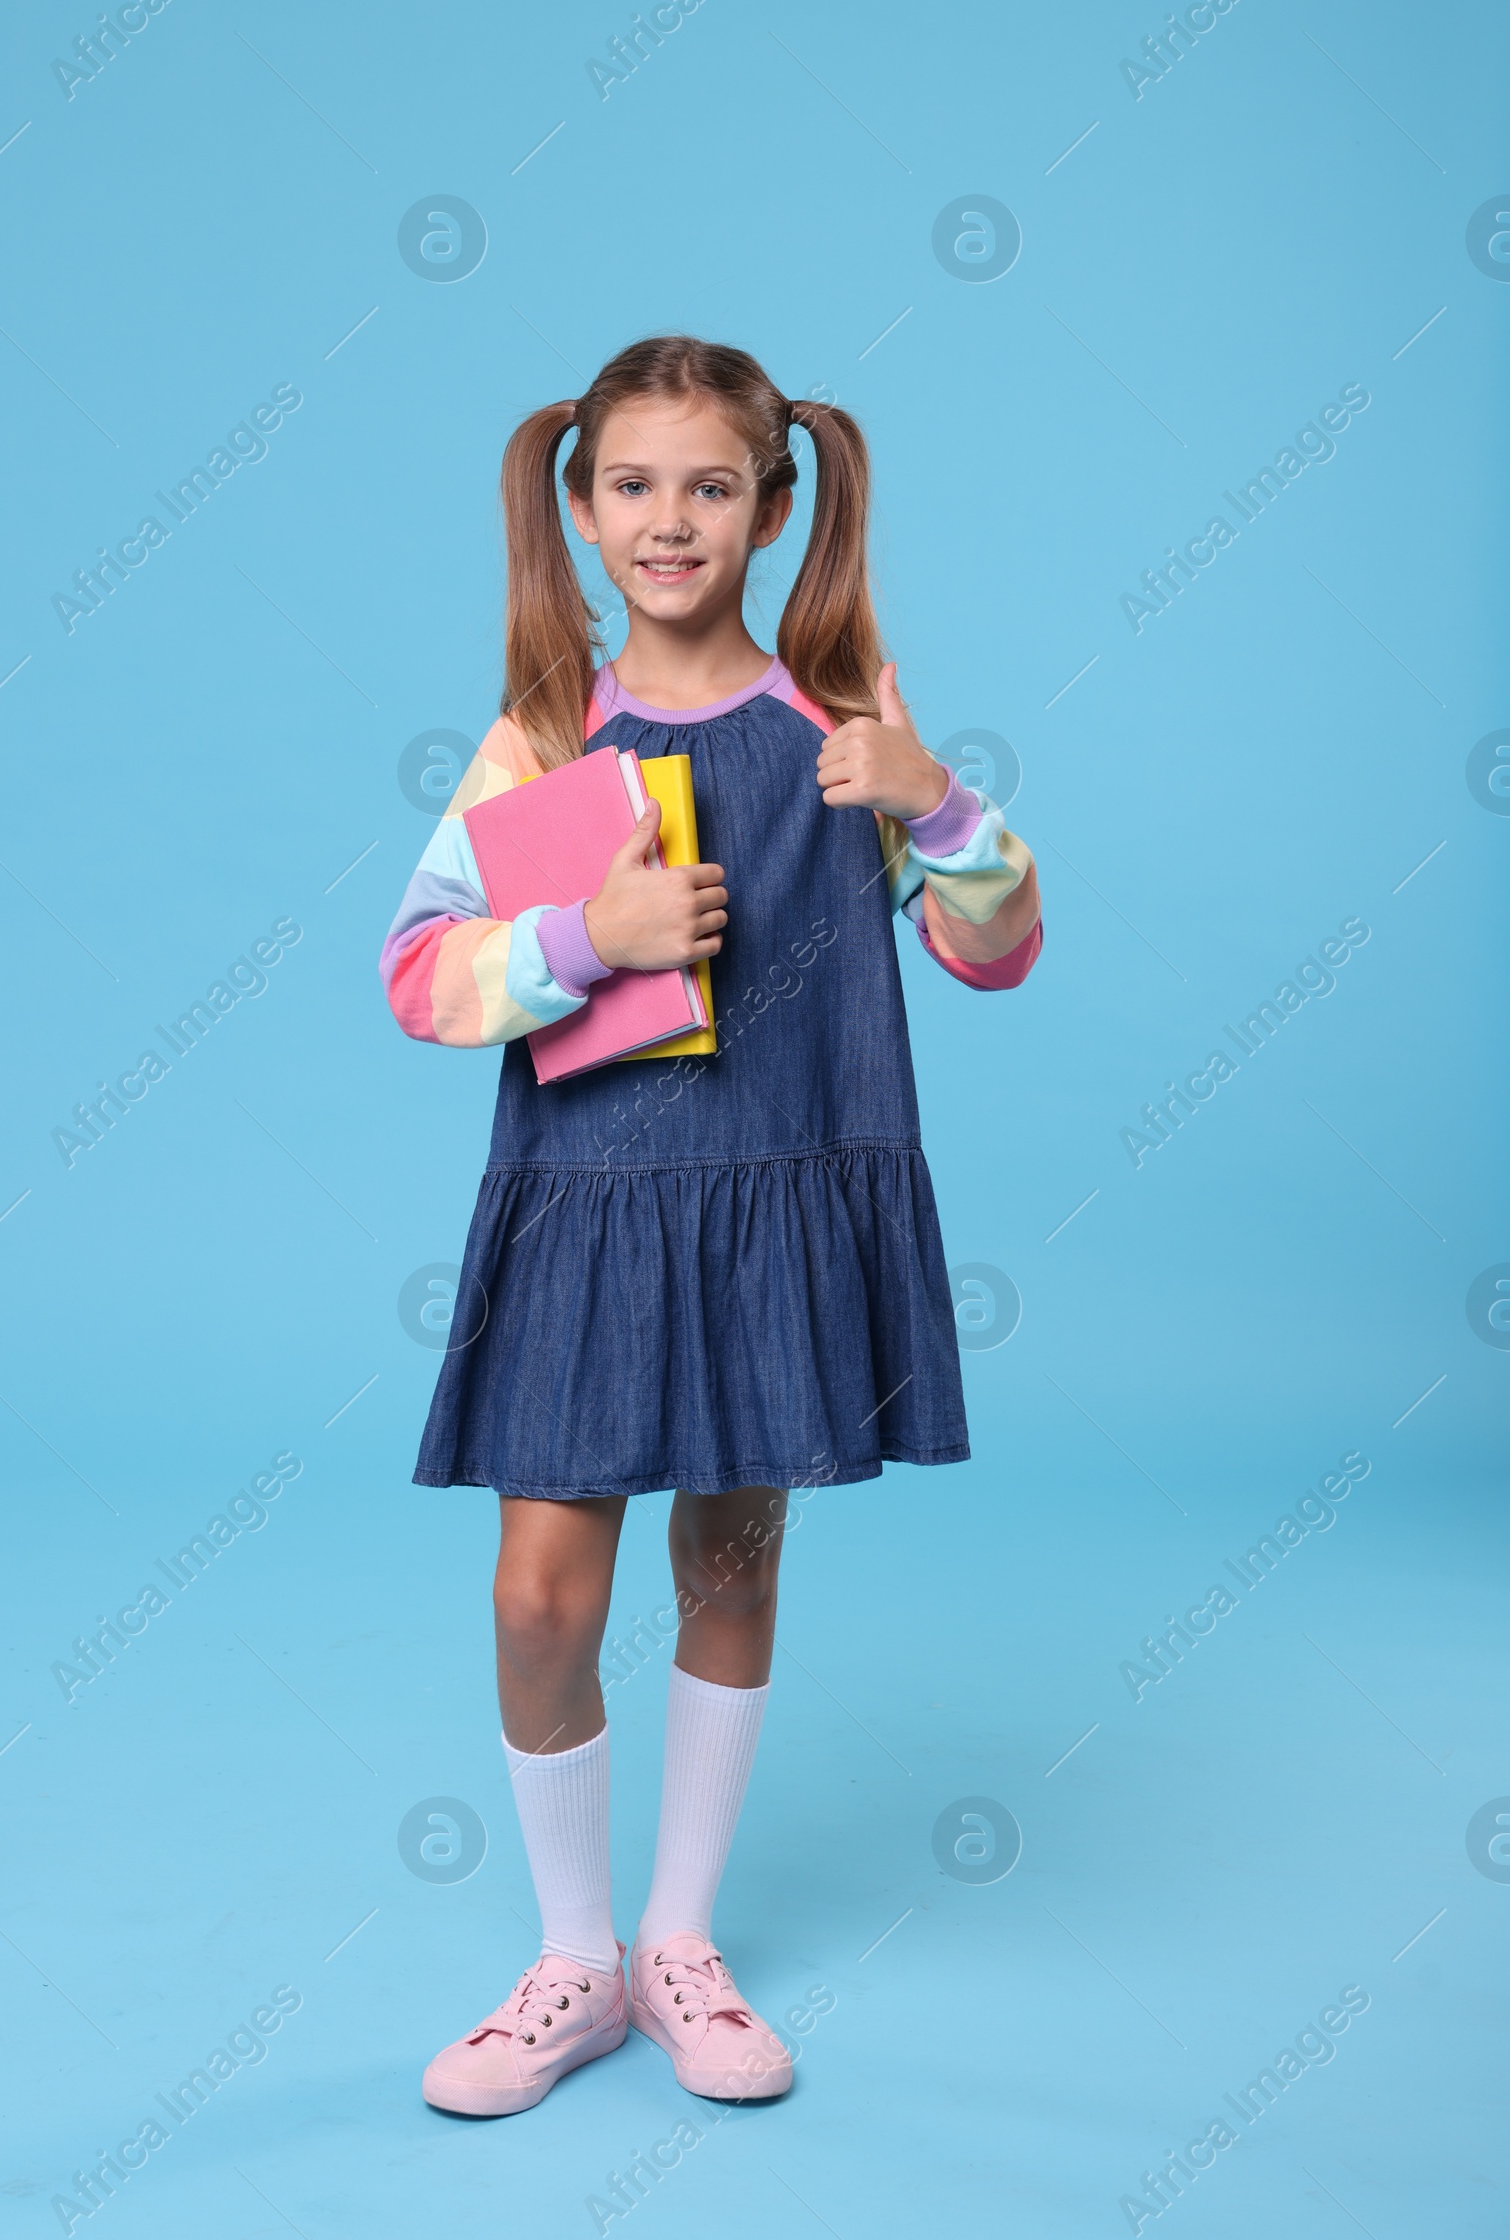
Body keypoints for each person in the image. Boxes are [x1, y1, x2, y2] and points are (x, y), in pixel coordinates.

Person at [380, 335, 1041, 2115]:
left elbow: (997, 945)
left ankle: (681, 1941)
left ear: (770, 503)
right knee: (541, 1594)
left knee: (727, 1568)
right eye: (633, 486)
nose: (669, 521)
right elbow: (419, 978)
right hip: (589, 1211)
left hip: (773, 1203)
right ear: (584, 508)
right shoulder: (540, 734)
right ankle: (573, 1961)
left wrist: (937, 800)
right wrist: (594, 937)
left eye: (711, 486)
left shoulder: (844, 729)